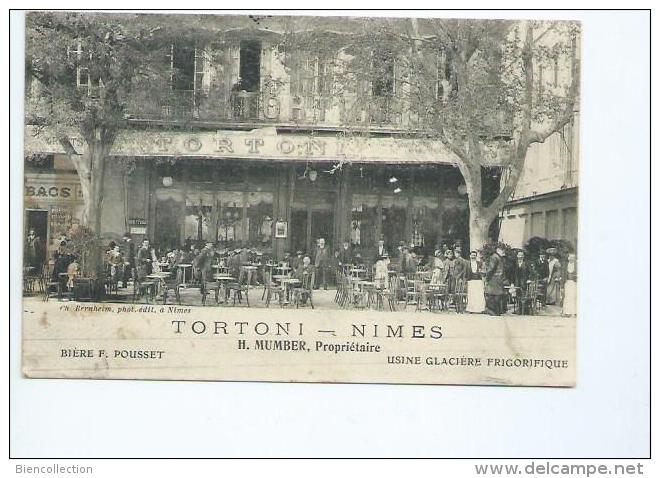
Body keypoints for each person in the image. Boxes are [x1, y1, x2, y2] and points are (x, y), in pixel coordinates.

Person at [484, 246, 506, 315]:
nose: (503, 251)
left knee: (492, 295)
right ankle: (498, 311)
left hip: (494, 278)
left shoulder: (494, 257)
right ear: (497, 250)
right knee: (497, 295)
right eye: (502, 250)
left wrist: (487, 278)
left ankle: (493, 311)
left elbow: (491, 269)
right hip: (498, 278)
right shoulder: (499, 258)